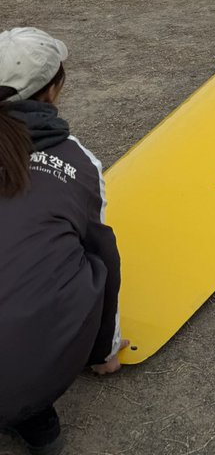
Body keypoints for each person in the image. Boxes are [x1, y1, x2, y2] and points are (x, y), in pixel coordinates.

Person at [0, 27, 125, 454]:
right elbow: (104, 259)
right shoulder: (78, 162)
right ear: (54, 90)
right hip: (17, 381)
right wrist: (103, 351)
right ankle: (35, 419)